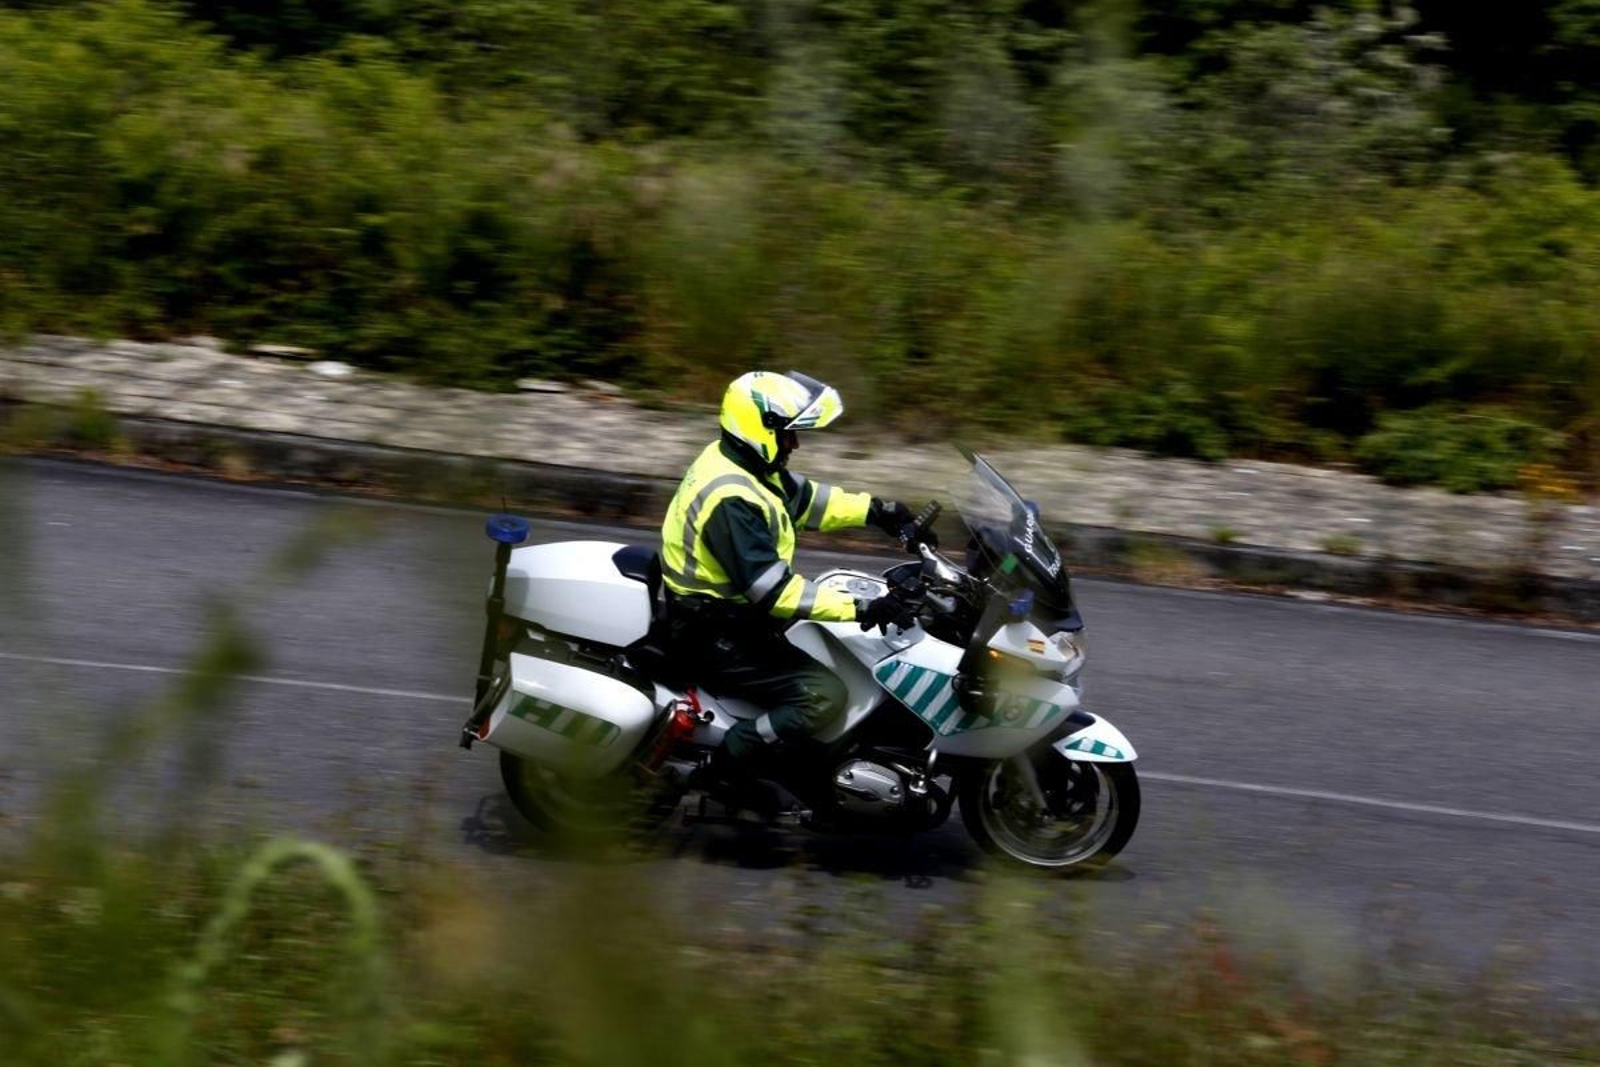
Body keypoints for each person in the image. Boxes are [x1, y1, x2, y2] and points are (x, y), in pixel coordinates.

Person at [659, 370, 919, 810]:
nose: (795, 445)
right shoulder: (732, 498)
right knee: (825, 695)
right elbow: (775, 593)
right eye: (790, 435)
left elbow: (812, 501)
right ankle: (732, 763)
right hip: (711, 628)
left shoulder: (745, 464)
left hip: (730, 612)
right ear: (762, 429)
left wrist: (877, 511)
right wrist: (865, 607)